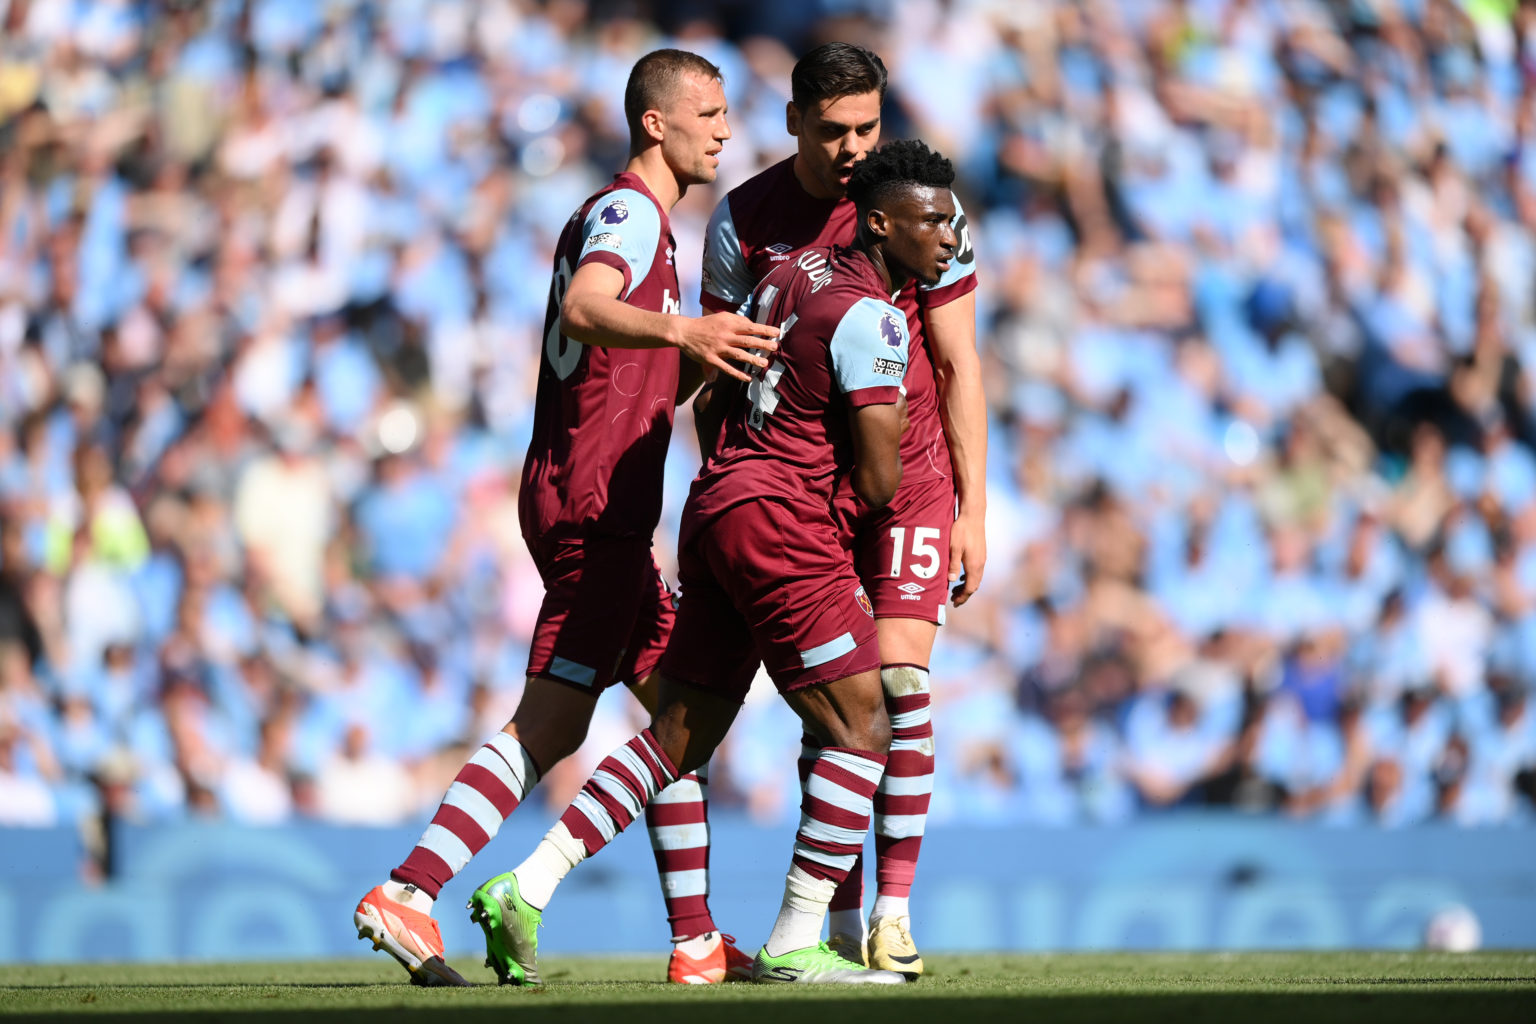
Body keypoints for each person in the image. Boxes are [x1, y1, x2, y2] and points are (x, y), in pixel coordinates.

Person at [468, 139, 959, 987]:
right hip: (785, 520)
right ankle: (799, 940)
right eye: (934, 223)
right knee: (864, 726)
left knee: (678, 736)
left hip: (718, 503)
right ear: (883, 224)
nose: (949, 240)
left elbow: (719, 390)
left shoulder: (789, 276)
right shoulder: (876, 319)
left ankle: (529, 880)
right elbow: (881, 480)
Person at [351, 48, 779, 988]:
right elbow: (590, 307)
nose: (725, 129)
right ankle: (410, 890)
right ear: (656, 122)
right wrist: (687, 330)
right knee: (552, 724)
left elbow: (634, 379)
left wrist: (722, 350)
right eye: (708, 111)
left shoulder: (643, 226)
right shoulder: (629, 213)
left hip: (586, 493)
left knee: (678, 718)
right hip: (595, 506)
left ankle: (697, 939)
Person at [696, 41, 986, 975]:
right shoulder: (745, 218)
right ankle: (826, 918)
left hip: (910, 480)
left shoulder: (925, 210)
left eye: (868, 125)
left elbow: (957, 361)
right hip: (805, 490)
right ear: (793, 123)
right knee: (837, 711)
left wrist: (972, 511)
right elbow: (719, 374)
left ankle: (889, 913)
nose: (855, 146)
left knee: (897, 690)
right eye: (834, 131)